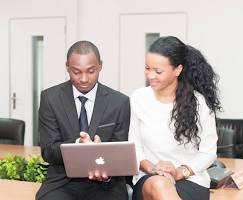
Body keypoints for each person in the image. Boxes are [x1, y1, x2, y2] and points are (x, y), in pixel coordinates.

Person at [129, 36, 221, 200]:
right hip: (149, 178)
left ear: (178, 70)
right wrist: (153, 169)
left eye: (158, 71)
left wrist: (179, 172)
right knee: (159, 184)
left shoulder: (199, 103)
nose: (150, 76)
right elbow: (133, 147)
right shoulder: (138, 98)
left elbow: (208, 153)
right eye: (147, 68)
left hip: (190, 179)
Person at [36, 41, 130, 200]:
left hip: (107, 184)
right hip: (62, 181)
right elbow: (48, 150)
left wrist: (105, 170)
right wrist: (79, 145)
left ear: (100, 66)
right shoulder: (50, 99)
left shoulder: (119, 102)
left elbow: (121, 154)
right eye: (76, 72)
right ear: (67, 67)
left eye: (91, 71)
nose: (84, 79)